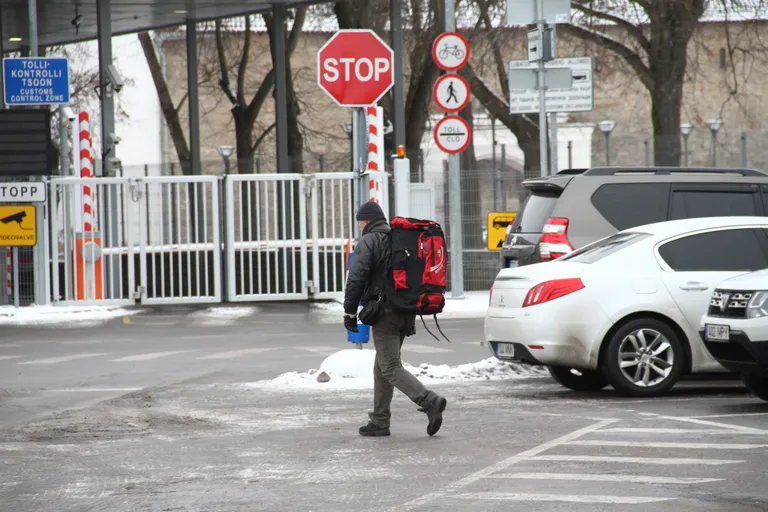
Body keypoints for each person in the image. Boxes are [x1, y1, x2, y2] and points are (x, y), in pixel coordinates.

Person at [344, 201, 448, 437]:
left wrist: (349, 312)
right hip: (406, 311)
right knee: (382, 366)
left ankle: (428, 400)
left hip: (385, 314)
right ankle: (380, 421)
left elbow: (356, 278)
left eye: (359, 221)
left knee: (389, 366)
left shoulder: (370, 241)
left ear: (365, 221)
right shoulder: (399, 239)